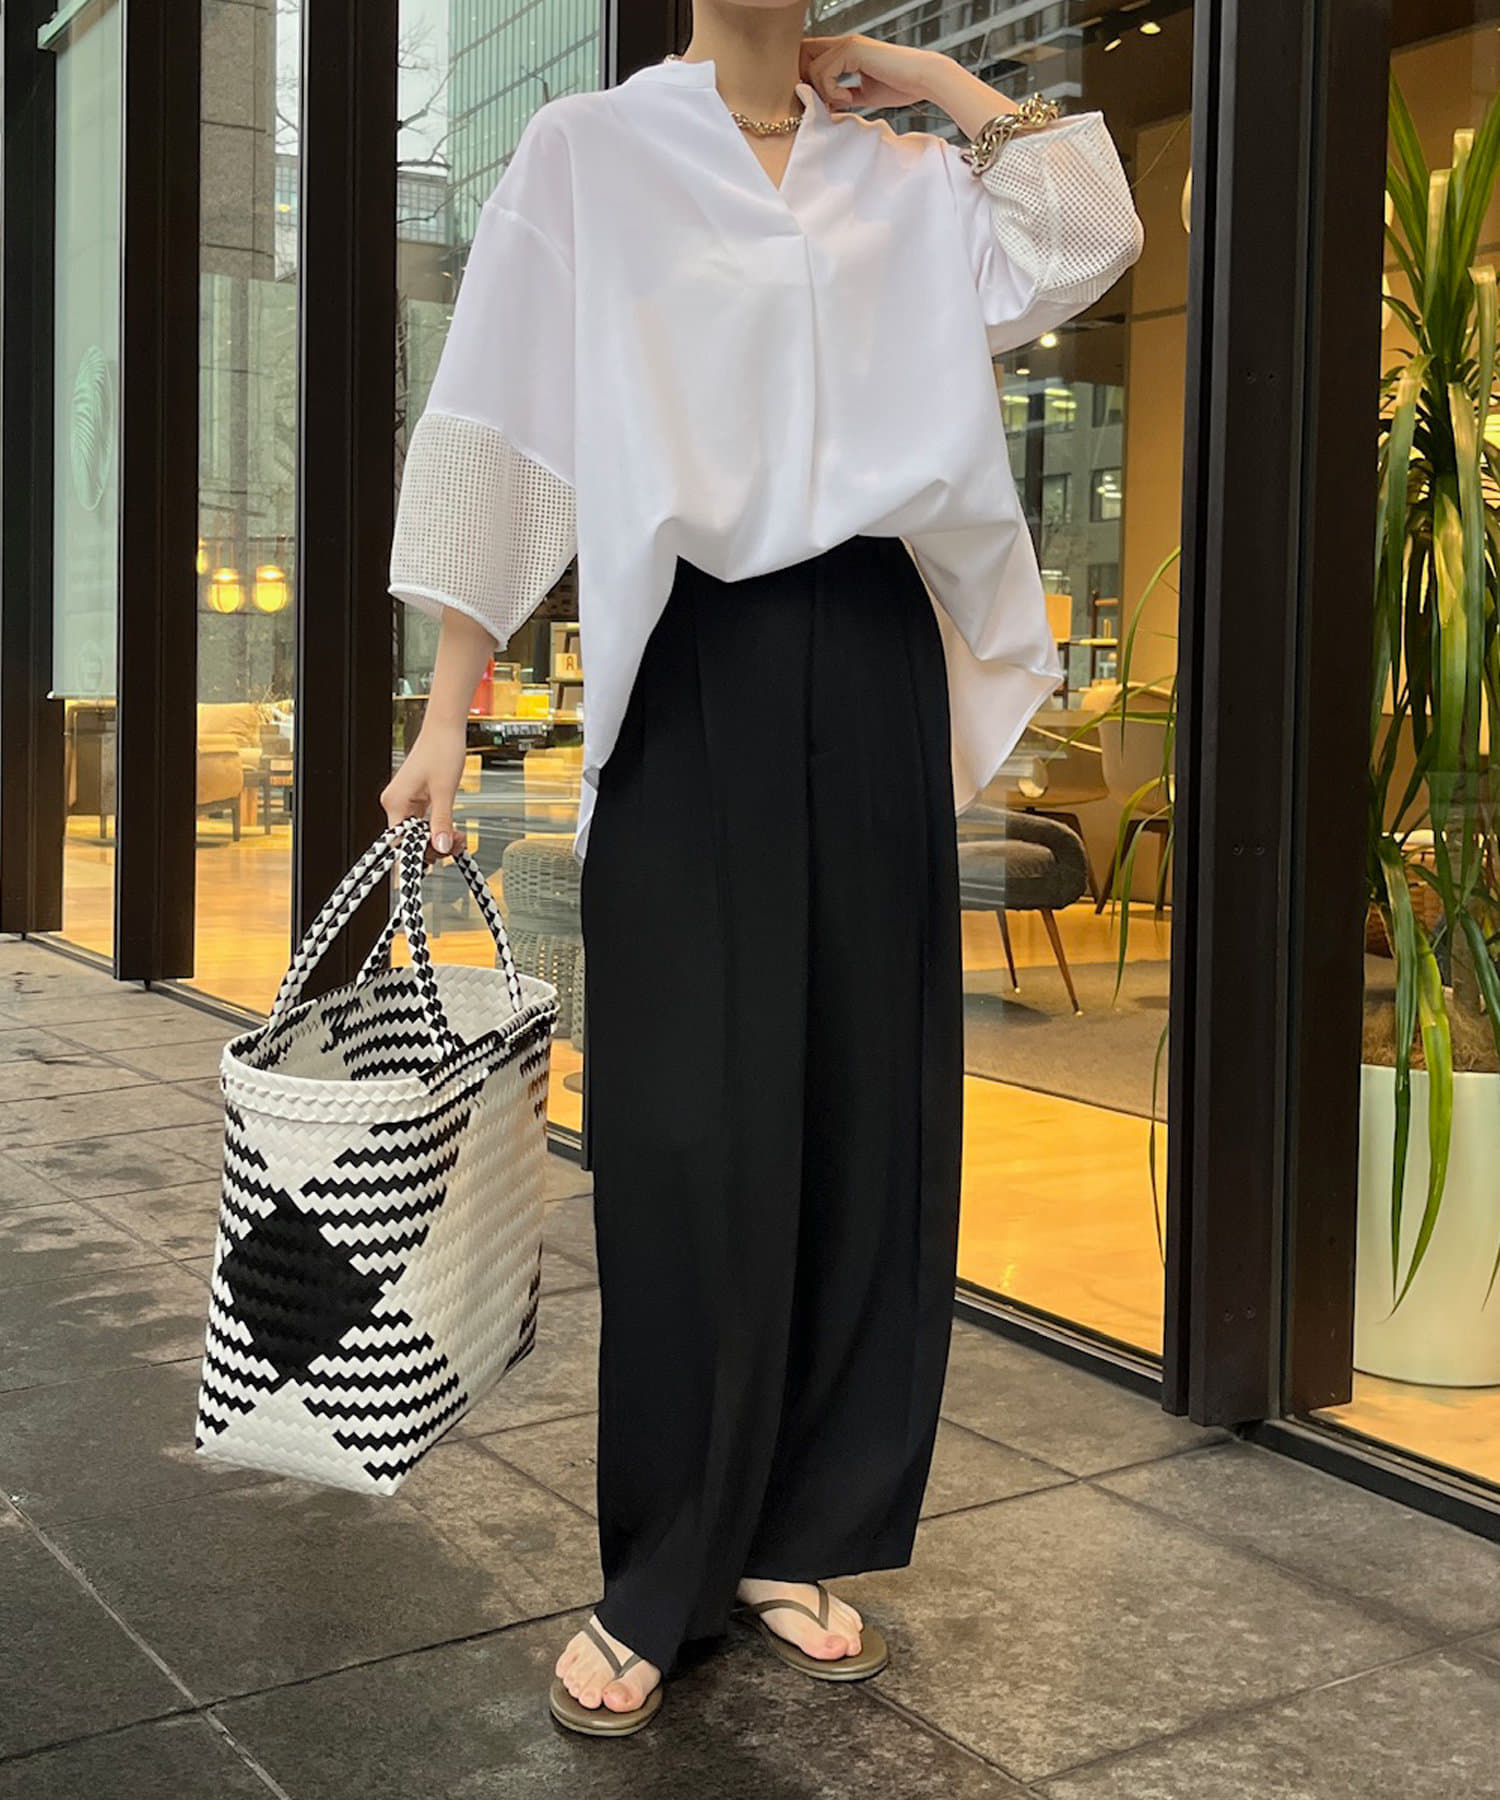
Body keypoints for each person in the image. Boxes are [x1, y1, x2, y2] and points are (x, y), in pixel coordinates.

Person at [381, 0, 1143, 1739]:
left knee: (867, 1101)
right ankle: (665, 1566)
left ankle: (802, 1532)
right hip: (696, 658)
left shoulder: (906, 179)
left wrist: (934, 81)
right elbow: (500, 425)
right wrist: (446, 709)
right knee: (685, 1123)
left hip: (871, 649)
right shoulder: (593, 155)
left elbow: (1085, 234)